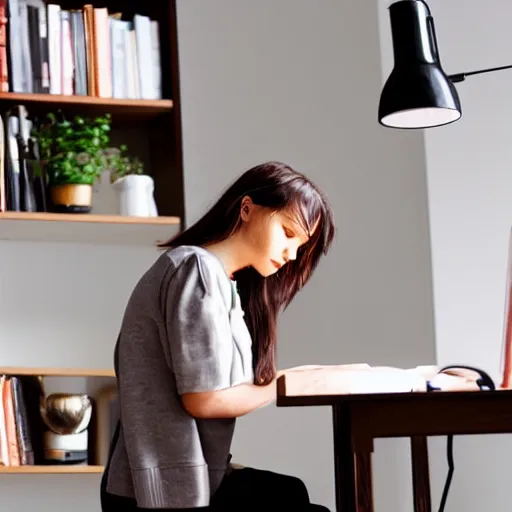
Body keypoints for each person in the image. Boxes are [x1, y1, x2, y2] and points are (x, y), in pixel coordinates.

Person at [100, 161, 336, 511]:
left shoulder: (220, 283)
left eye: (301, 247)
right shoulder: (195, 269)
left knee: (291, 493)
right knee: (291, 498)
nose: (291, 255)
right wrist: (288, 383)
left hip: (173, 479)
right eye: (288, 233)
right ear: (247, 209)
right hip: (152, 490)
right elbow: (204, 400)